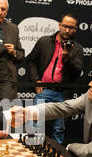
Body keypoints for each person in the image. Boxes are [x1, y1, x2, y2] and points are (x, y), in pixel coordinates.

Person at [26, 13, 84, 144]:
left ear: (75, 29)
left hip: (63, 94)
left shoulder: (78, 48)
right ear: (59, 25)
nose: (67, 30)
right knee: (34, 125)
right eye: (65, 26)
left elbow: (77, 71)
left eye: (71, 27)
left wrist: (66, 58)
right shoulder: (45, 41)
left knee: (59, 129)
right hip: (44, 90)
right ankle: (30, 151)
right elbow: (31, 61)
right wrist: (36, 80)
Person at [0, 0, 25, 99]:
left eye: (3, 9)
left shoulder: (13, 28)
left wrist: (13, 52)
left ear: (6, 12)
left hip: (7, 79)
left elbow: (21, 56)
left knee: (6, 113)